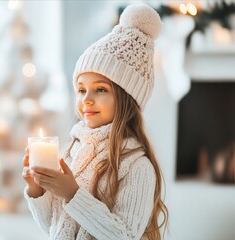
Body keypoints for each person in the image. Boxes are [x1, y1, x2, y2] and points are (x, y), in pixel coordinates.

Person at [22, 3, 168, 240]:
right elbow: (54, 226)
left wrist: (72, 193)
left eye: (100, 90)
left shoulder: (137, 167)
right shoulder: (74, 153)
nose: (86, 100)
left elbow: (125, 236)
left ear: (126, 98)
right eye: (81, 90)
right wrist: (37, 190)